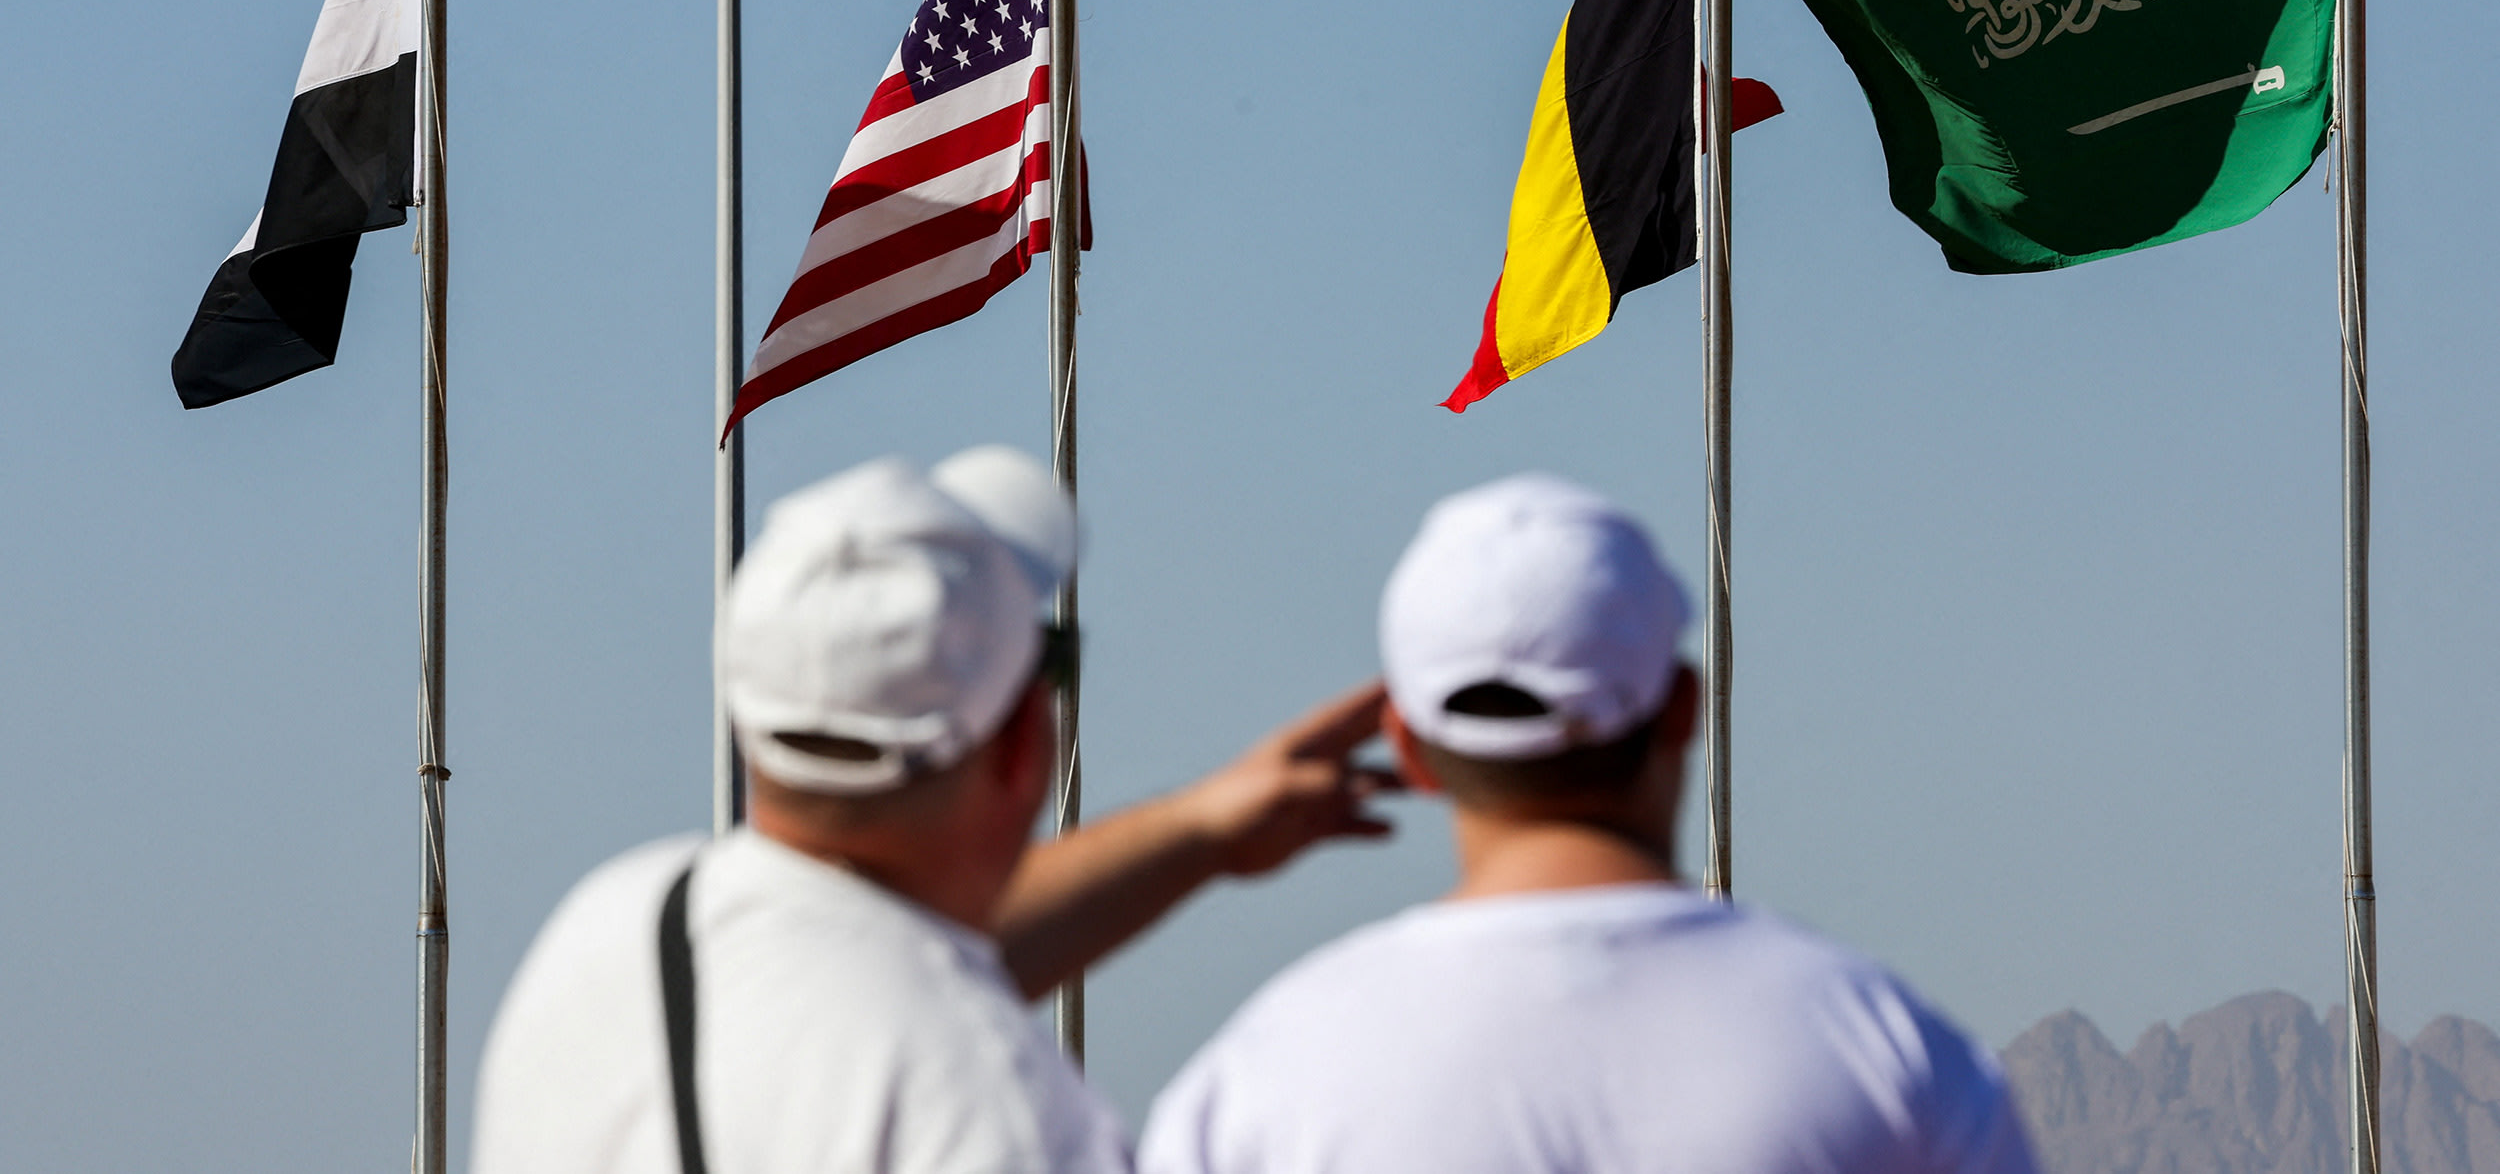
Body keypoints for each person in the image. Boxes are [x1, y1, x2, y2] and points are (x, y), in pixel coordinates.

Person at [471, 448, 1393, 1174]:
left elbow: (881, 966)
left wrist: (1198, 832)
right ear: (1023, 738)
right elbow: (910, 988)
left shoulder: (615, 925)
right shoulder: (1004, 1112)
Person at [1139, 473, 2040, 1174]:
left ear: (1408, 746)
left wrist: (1190, 831)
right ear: (1683, 707)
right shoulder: (1889, 1054)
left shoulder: (1272, 1076)